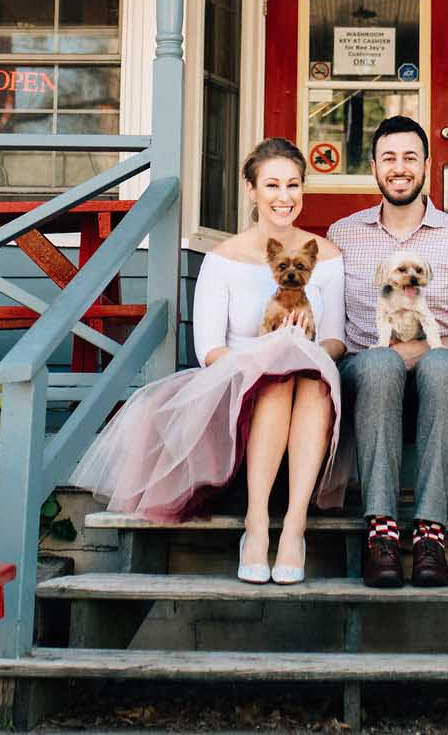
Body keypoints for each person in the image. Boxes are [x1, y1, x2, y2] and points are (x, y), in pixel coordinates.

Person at [73, 138, 346, 584]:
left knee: (311, 375)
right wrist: (265, 354)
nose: (284, 196)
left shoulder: (326, 256)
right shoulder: (223, 259)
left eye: (293, 185)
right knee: (276, 378)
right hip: (240, 382)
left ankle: (294, 528)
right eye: (272, 185)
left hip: (311, 379)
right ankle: (256, 525)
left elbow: (337, 341)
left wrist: (305, 344)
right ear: (252, 190)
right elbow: (209, 349)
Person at [328, 116, 448, 588]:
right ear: (373, 167)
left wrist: (425, 350)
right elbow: (328, 326)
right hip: (368, 387)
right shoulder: (342, 236)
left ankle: (430, 535)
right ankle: (382, 535)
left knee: (442, 365)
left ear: (428, 164)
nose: (400, 167)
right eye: (389, 158)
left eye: (410, 157)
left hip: (443, 392)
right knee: (380, 362)